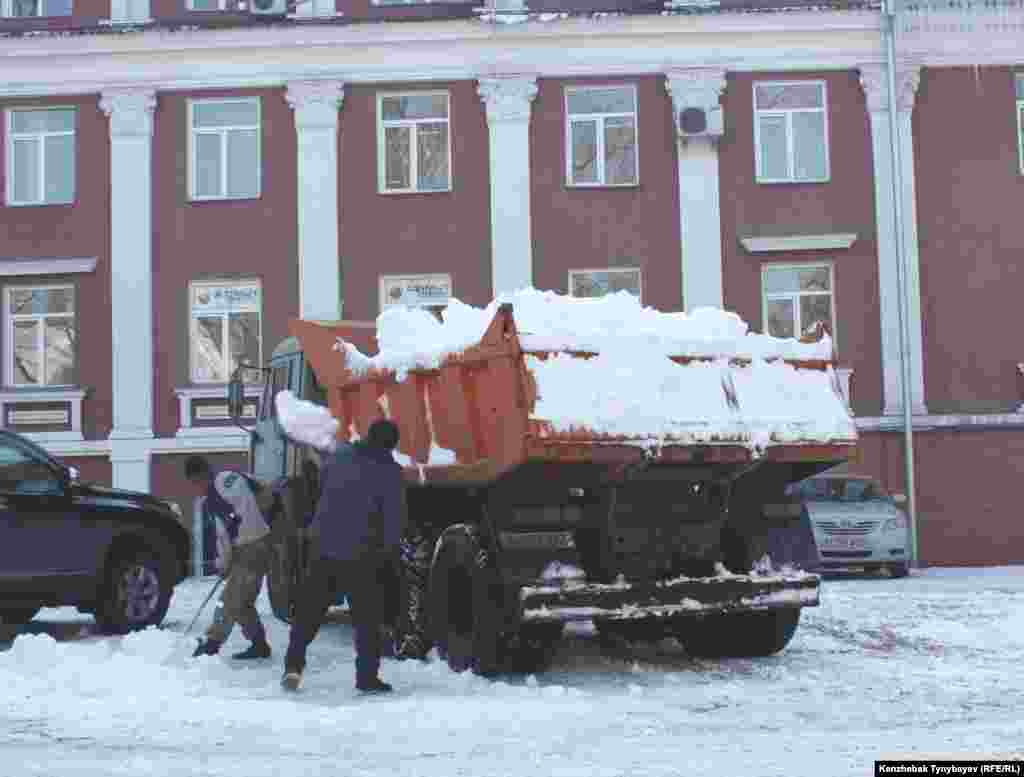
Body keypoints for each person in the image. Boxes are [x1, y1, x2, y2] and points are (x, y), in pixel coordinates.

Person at [281, 418, 406, 694]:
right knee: (367, 621)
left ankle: (293, 667)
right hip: (361, 555)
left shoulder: (339, 457)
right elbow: (393, 522)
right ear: (391, 445)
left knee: (309, 612)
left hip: (323, 547)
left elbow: (323, 489)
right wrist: (389, 556)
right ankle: (366, 678)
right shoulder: (390, 472)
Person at [186, 455, 276, 660]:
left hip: (252, 549)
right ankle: (259, 645)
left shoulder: (218, 490)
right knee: (242, 602)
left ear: (198, 478)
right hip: (257, 545)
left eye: (194, 483)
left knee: (228, 600)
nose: (196, 488)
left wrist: (225, 563)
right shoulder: (228, 481)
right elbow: (263, 492)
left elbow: (226, 532)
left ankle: (212, 644)